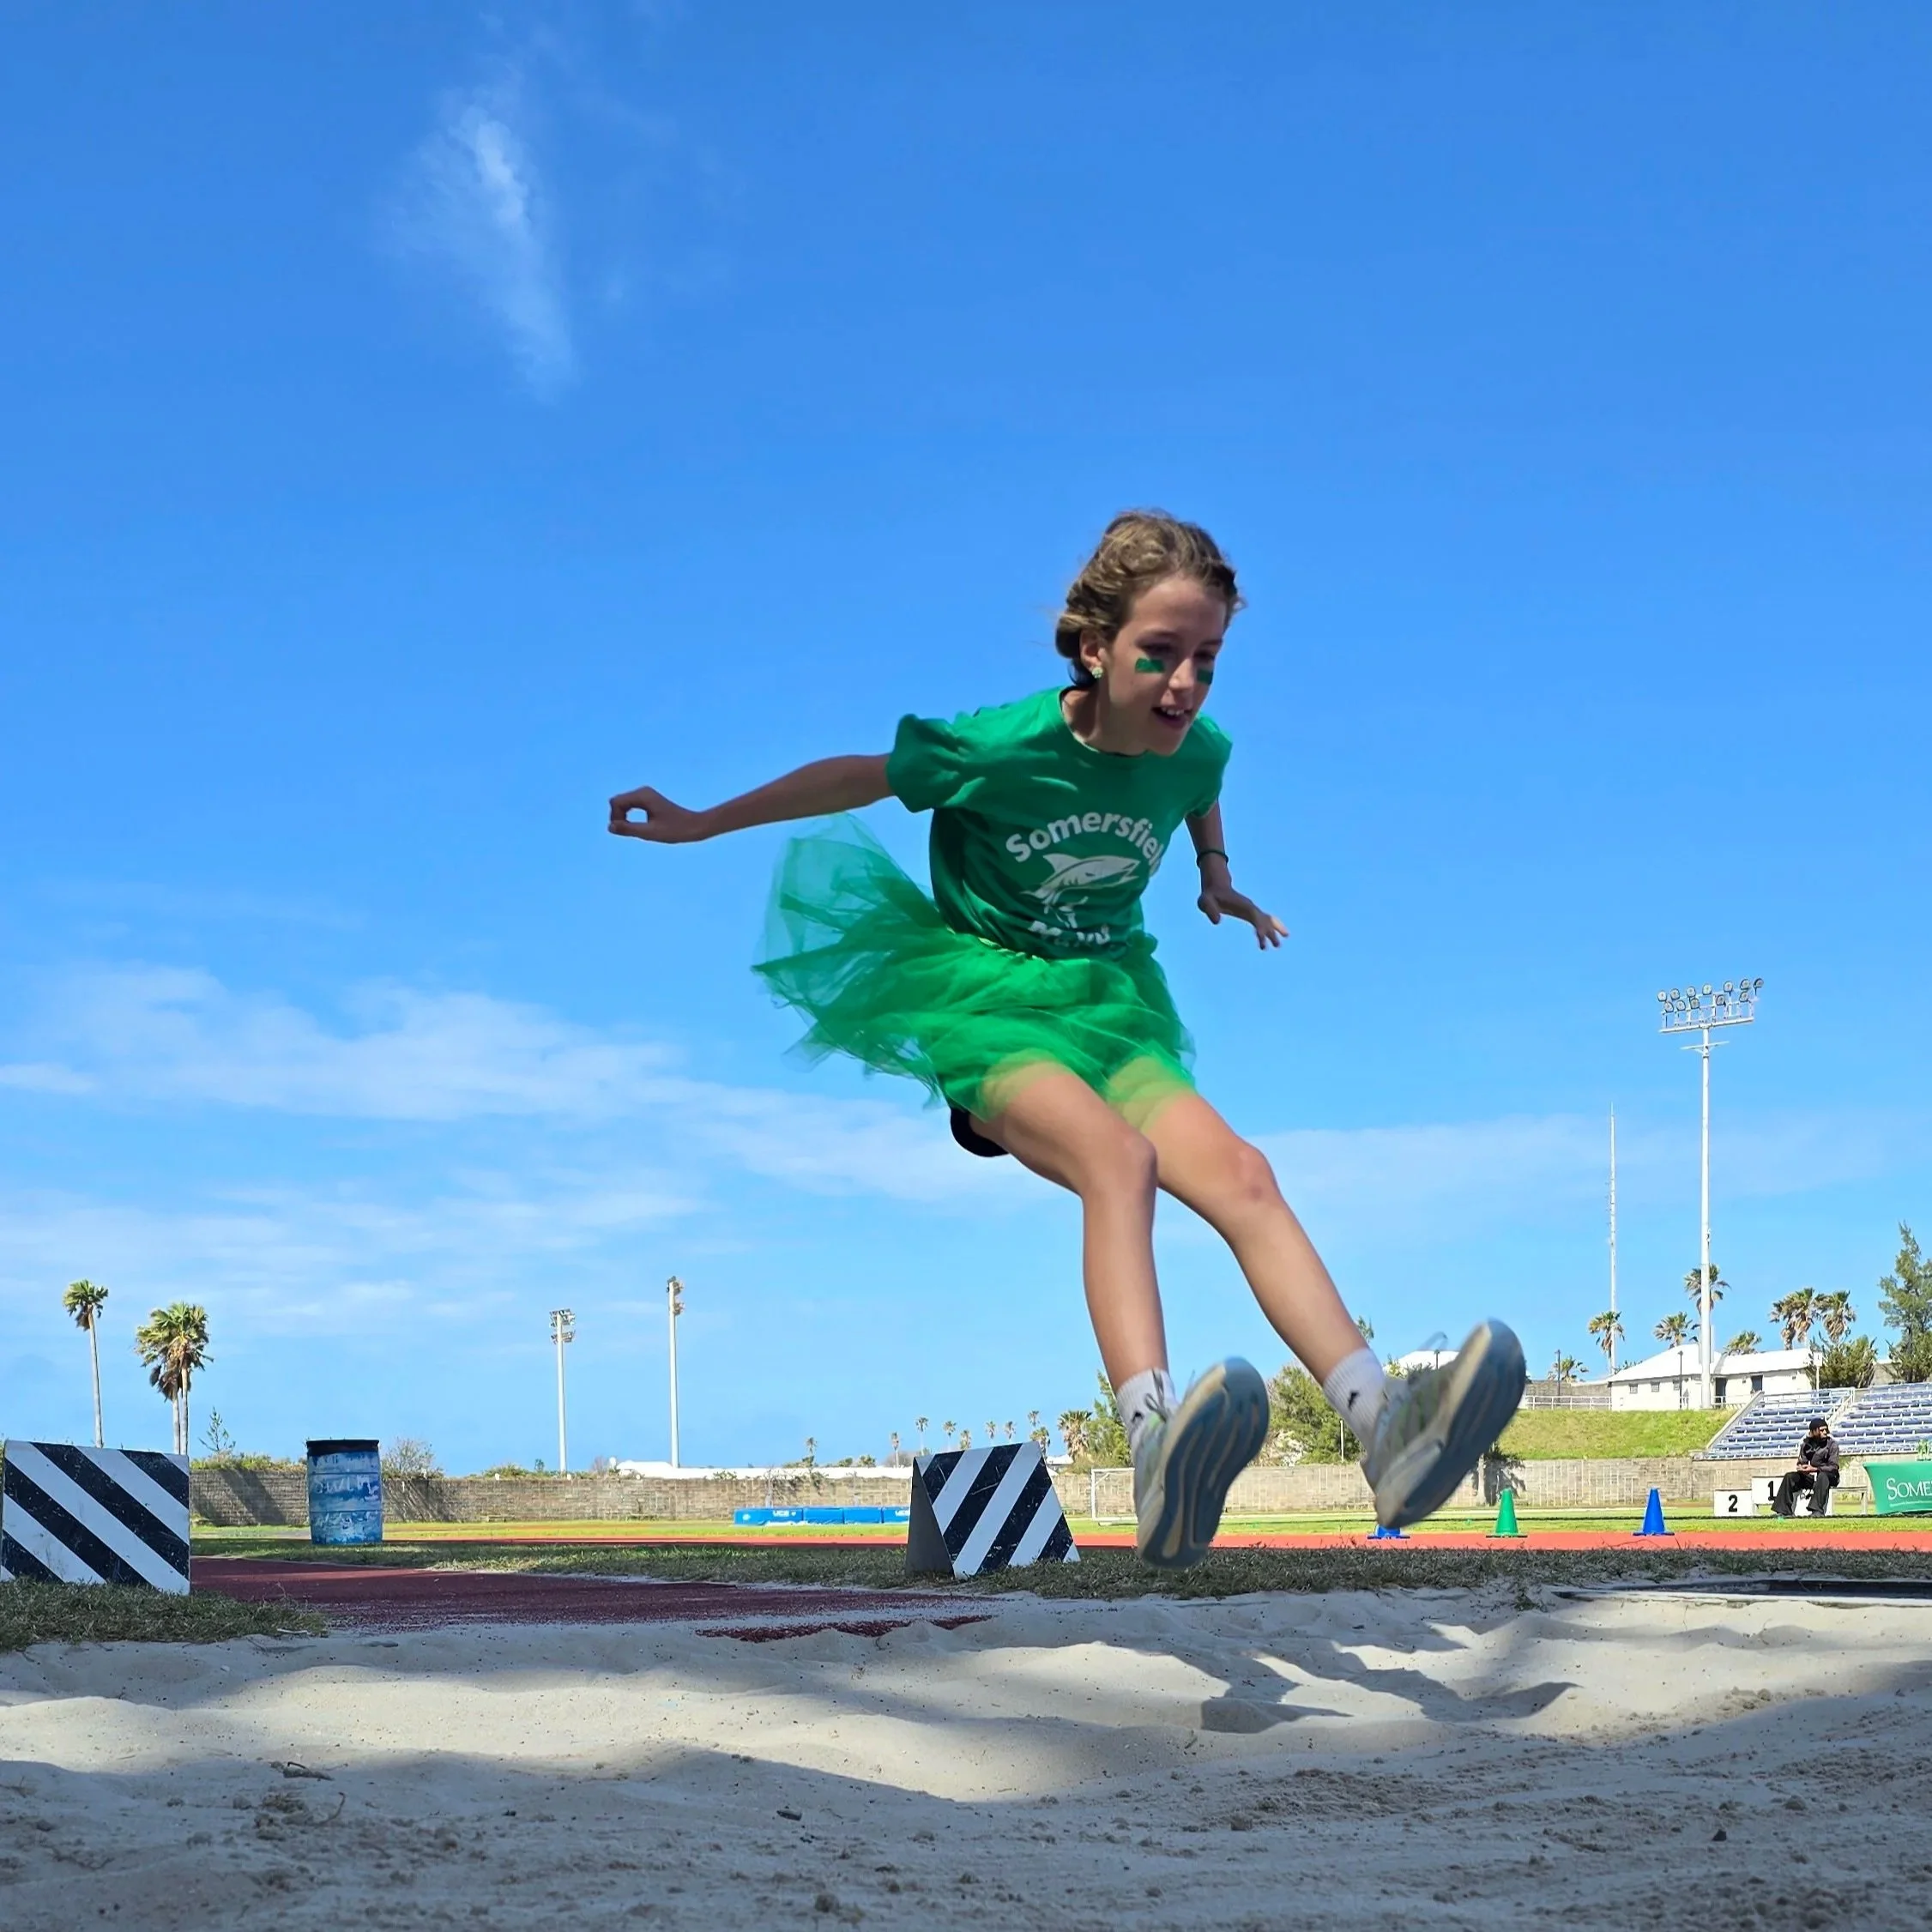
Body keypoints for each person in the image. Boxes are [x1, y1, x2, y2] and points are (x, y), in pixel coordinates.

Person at [608, 510, 1525, 1567]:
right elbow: (858, 774)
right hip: (984, 1003)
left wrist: (1213, 875)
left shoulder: (1200, 749)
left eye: (1206, 660)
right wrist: (697, 820)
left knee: (1243, 1174)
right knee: (1116, 1161)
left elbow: (1198, 786)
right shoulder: (1004, 744)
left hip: (1109, 1003)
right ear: (1095, 648)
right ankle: (1153, 1446)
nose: (1184, 684)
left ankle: (1386, 1429)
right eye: (1158, 655)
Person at [1772, 1416, 1840, 1517]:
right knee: (1789, 1477)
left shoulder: (1832, 1445)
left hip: (1829, 1476)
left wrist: (1816, 1469)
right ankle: (1784, 1511)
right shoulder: (1805, 1444)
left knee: (1822, 1476)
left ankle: (1817, 1511)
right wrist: (1801, 1468)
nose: (1825, 1432)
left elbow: (1834, 1467)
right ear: (1813, 1431)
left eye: (1826, 1430)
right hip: (1811, 1476)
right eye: (1821, 1430)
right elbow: (1802, 1461)